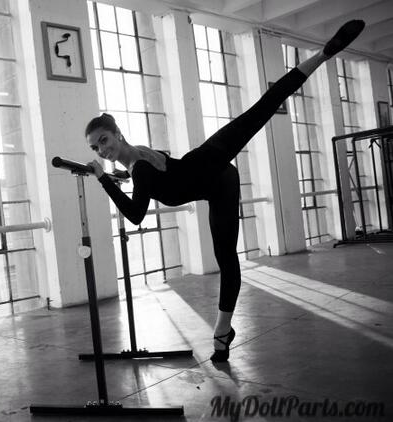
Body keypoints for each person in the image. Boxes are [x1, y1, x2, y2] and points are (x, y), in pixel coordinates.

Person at [85, 20, 365, 362]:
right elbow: (152, 177)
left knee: (261, 110)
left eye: (104, 140)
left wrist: (103, 179)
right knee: (227, 257)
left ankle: (323, 54)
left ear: (117, 134)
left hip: (211, 165)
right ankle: (223, 331)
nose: (102, 150)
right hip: (215, 177)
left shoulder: (139, 169)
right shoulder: (137, 157)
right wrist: (118, 177)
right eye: (95, 147)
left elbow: (136, 215)